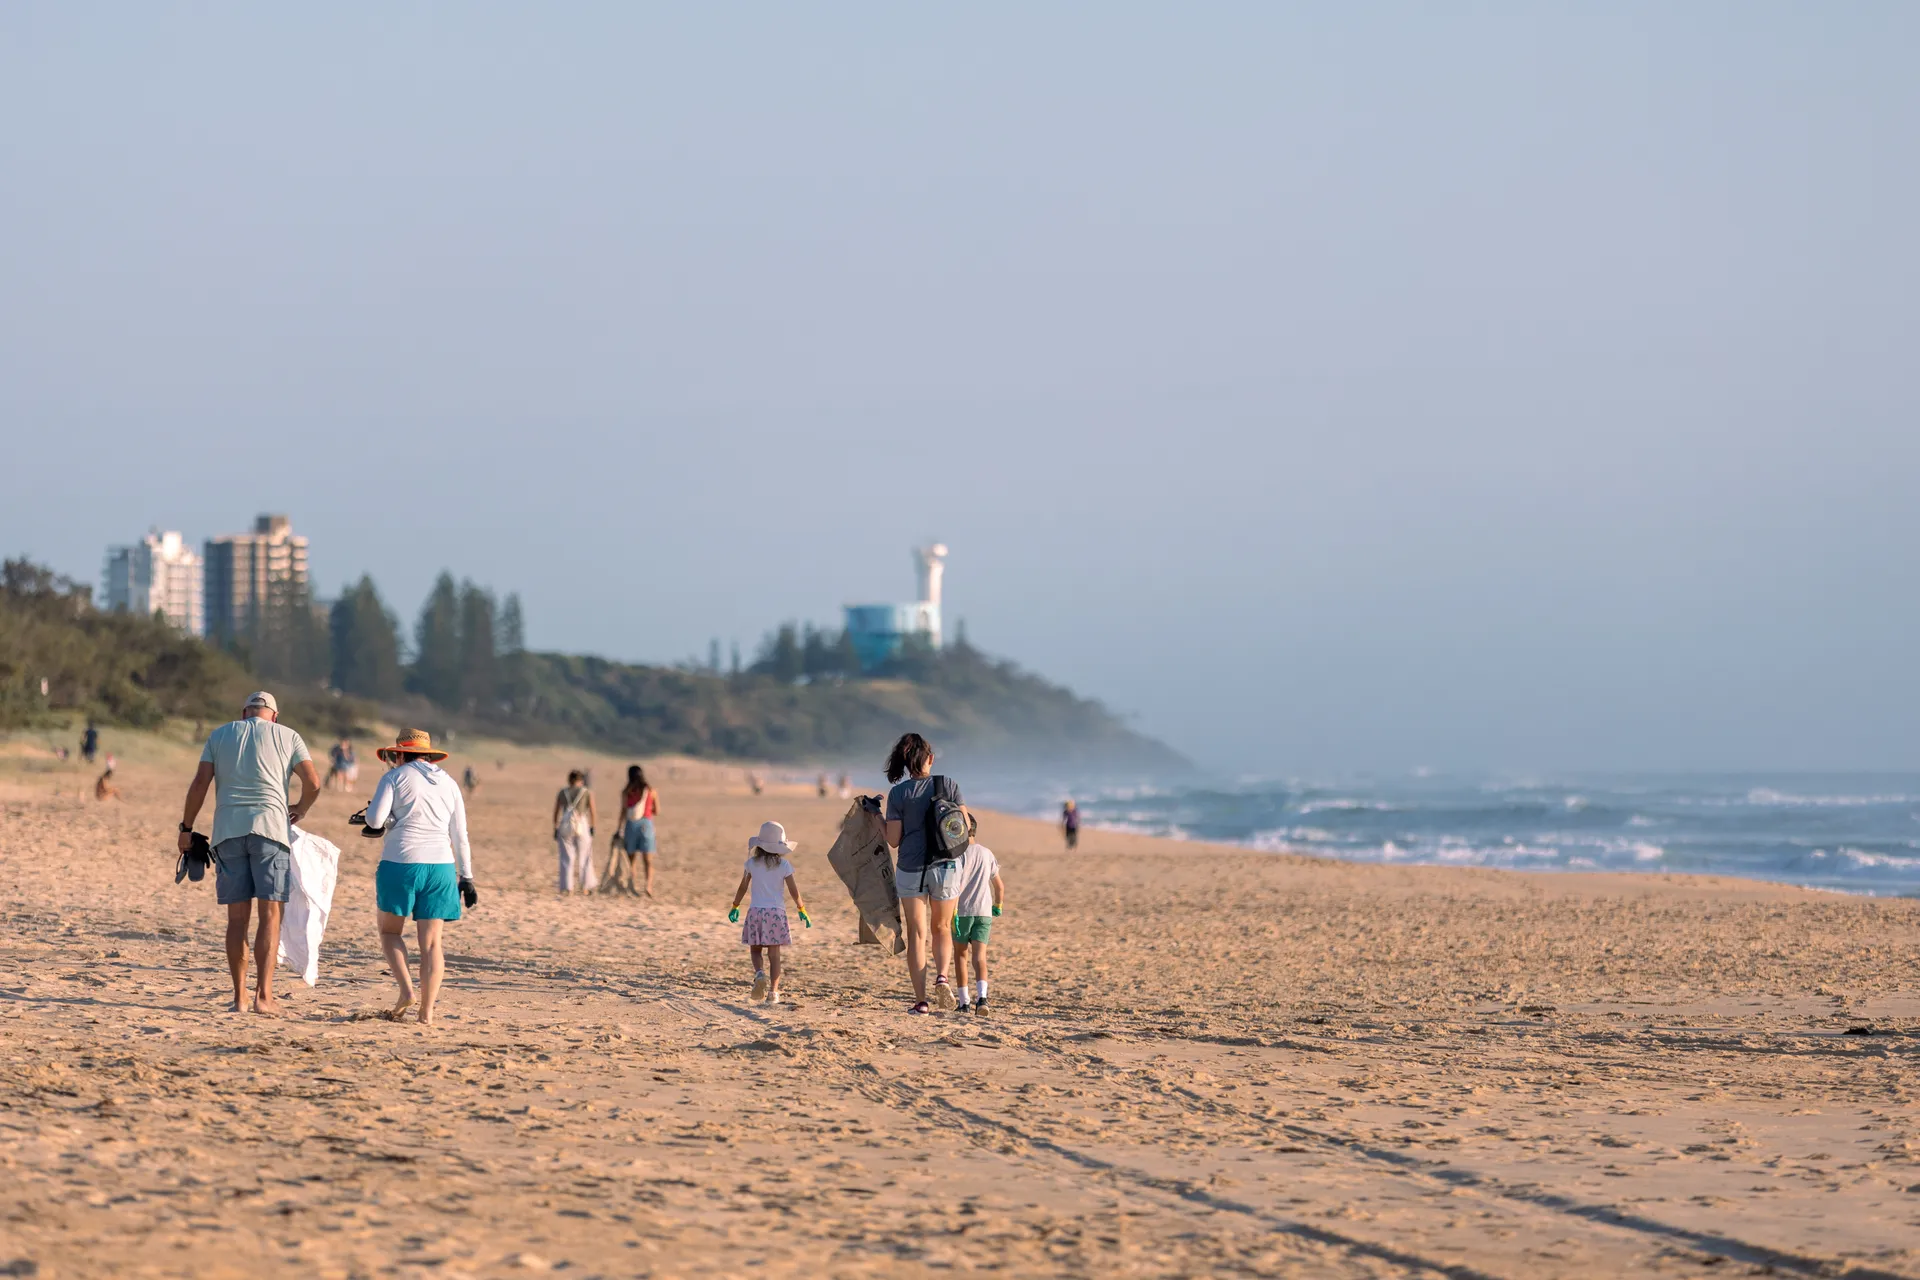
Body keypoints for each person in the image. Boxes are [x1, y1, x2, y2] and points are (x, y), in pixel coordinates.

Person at [176, 691, 322, 1015]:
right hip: (271, 831)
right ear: (275, 715)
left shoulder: (220, 734)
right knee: (270, 915)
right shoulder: (288, 736)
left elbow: (200, 782)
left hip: (227, 832)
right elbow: (313, 782)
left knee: (236, 920)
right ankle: (264, 996)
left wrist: (186, 828)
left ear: (244, 713)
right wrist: (301, 808)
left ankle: (239, 997)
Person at [363, 729, 475, 1026]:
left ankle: (406, 991)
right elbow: (460, 834)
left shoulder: (394, 777)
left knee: (389, 933)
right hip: (441, 866)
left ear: (399, 754)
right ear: (428, 754)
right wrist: (467, 877)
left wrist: (388, 820)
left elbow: (374, 821)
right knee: (432, 944)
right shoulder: (450, 783)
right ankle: (427, 1013)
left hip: (401, 861)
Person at [883, 732, 967, 1014]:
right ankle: (942, 977)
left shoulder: (898, 794)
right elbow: (964, 827)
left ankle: (921, 1002)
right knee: (942, 928)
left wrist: (875, 819)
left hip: (910, 868)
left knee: (917, 934)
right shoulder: (949, 784)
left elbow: (893, 839)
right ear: (930, 758)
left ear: (906, 763)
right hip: (944, 864)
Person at [727, 821, 811, 1004]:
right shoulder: (784, 865)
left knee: (755, 950)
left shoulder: (751, 864)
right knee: (775, 956)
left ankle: (759, 974)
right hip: (776, 914)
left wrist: (735, 906)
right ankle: (773, 992)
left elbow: (742, 887)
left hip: (756, 911)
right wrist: (801, 909)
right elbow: (794, 891)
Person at [949, 814, 1005, 1015]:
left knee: (960, 956)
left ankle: (964, 1002)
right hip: (983, 912)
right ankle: (982, 999)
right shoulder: (987, 853)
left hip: (962, 911)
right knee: (980, 958)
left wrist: (952, 912)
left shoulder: (958, 855)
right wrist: (997, 905)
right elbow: (999, 886)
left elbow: (953, 887)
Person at [614, 764, 660, 897]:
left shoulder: (627, 791)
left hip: (631, 825)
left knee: (631, 860)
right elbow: (657, 810)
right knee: (648, 859)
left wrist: (619, 828)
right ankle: (648, 886)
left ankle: (632, 885)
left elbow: (623, 811)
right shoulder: (651, 790)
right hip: (646, 824)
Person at [553, 770, 598, 893]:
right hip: (581, 824)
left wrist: (555, 827)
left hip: (566, 824)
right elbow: (593, 811)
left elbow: (556, 811)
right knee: (585, 856)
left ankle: (567, 887)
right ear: (581, 780)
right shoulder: (586, 792)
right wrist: (592, 827)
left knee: (566, 857)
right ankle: (585, 886)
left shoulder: (562, 792)